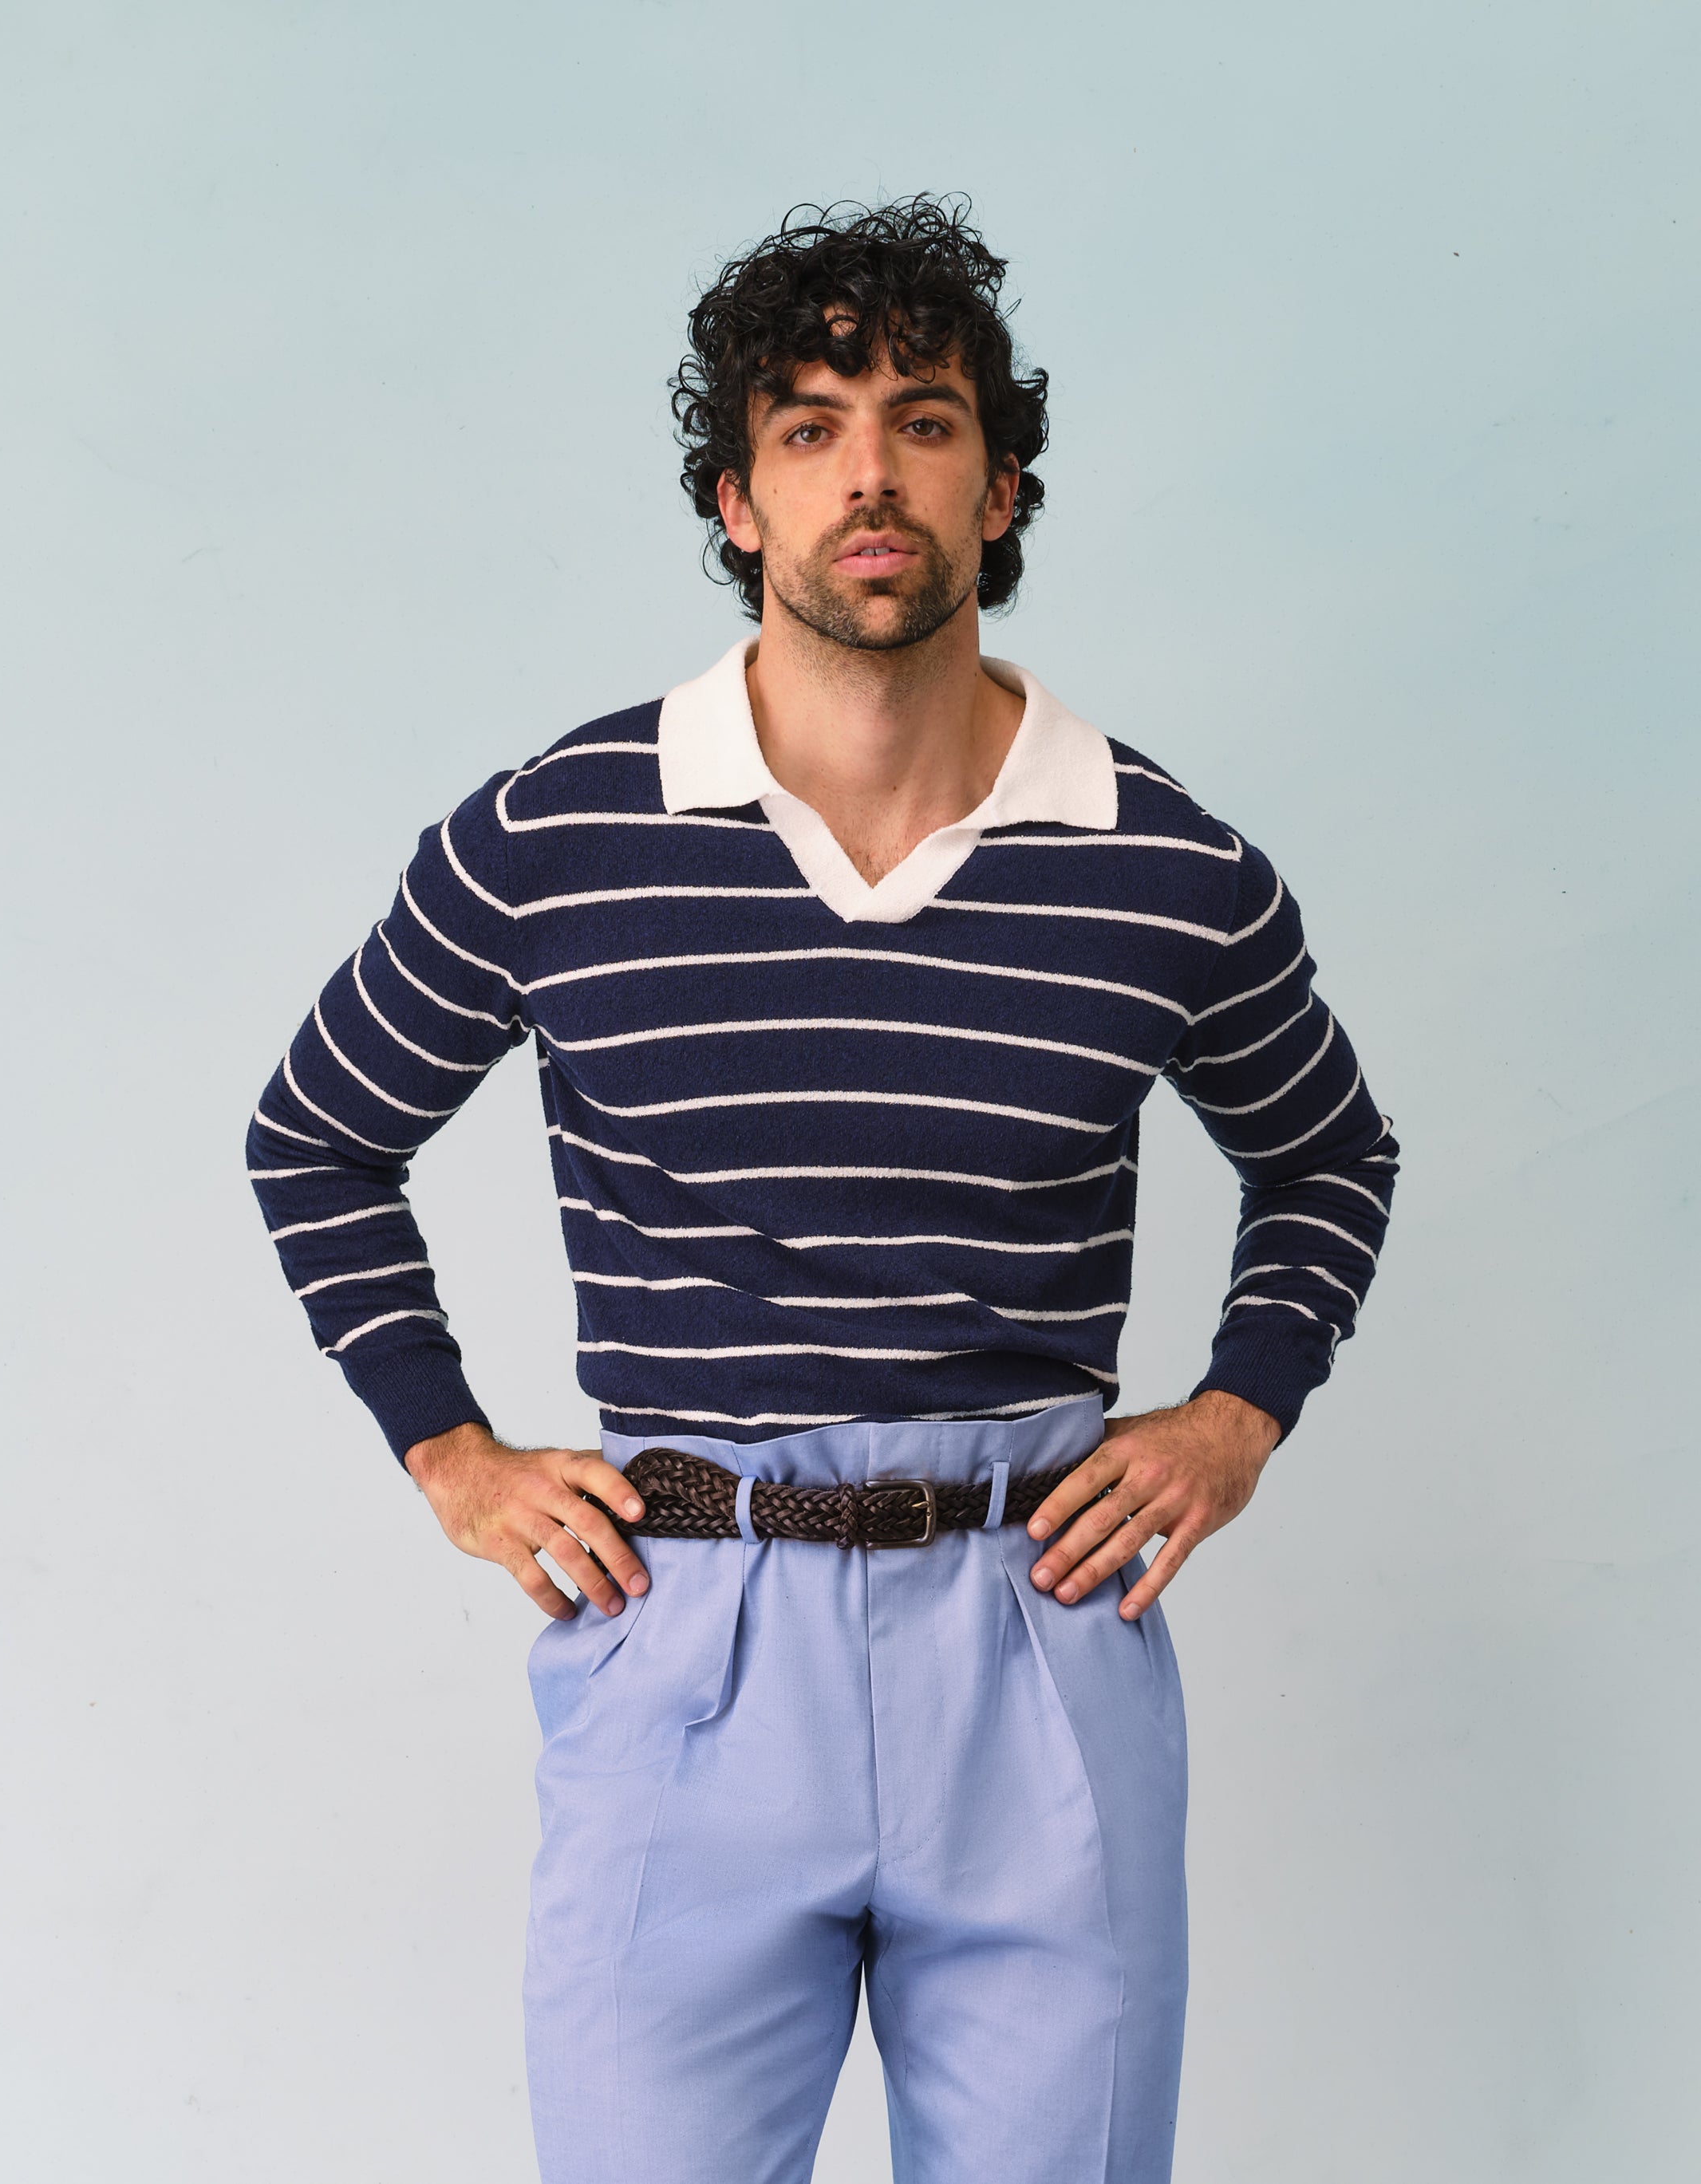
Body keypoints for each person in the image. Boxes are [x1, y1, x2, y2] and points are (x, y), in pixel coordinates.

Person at [247, 195, 1399, 2184]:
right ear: (739, 499)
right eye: (811, 427)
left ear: (1001, 486)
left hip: (1037, 1631)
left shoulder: (1167, 867)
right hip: (690, 1628)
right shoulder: (557, 834)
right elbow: (319, 1133)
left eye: (925, 421)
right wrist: (453, 1454)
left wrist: (1235, 1417)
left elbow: (1324, 1152)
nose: (871, 472)